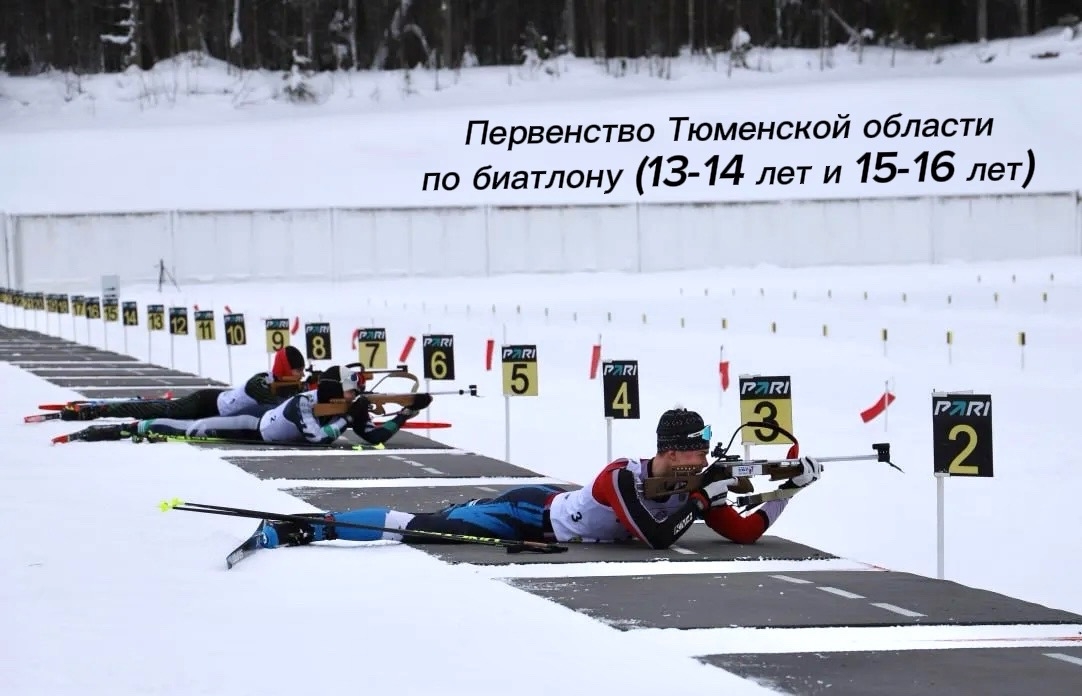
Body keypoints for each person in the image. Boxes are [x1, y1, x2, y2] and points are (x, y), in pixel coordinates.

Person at [256, 407, 822, 550]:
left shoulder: (691, 488)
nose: (699, 463)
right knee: (424, 527)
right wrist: (701, 499)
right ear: (668, 453)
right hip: (530, 515)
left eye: (703, 455)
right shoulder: (620, 476)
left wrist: (786, 491)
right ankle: (316, 527)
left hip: (551, 509)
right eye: (692, 455)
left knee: (444, 519)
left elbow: (744, 533)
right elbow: (654, 537)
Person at [65, 364, 432, 447]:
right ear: (336, 395)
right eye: (352, 396)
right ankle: (127, 426)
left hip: (259, 422)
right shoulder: (304, 404)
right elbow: (317, 438)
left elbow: (373, 437)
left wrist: (405, 413)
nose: (357, 401)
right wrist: (344, 422)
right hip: (252, 426)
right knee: (187, 429)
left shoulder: (338, 405)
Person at [60, 346, 308, 421]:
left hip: (214, 404)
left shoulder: (281, 383)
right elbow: (276, 403)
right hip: (205, 404)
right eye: (297, 370)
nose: (300, 375)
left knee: (159, 408)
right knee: (157, 412)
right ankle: (101, 409)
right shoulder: (261, 381)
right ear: (286, 368)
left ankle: (115, 406)